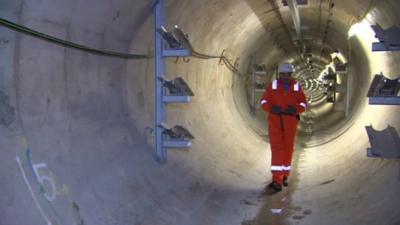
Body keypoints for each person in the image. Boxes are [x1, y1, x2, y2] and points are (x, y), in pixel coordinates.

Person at [260, 63, 307, 194]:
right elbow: (263, 101)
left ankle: (285, 174)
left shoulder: (296, 87)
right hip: (275, 121)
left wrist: (296, 109)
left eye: (288, 74)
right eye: (283, 74)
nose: (286, 77)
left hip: (290, 121)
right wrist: (270, 108)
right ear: (279, 75)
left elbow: (303, 103)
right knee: (277, 149)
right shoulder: (273, 86)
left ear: (291, 75)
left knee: (288, 149)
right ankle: (277, 180)